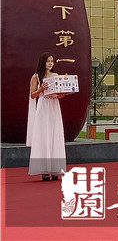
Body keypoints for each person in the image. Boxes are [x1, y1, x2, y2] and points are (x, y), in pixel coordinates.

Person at [28, 52, 67, 181]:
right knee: (44, 135)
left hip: (54, 106)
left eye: (52, 61)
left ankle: (55, 168)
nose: (50, 63)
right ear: (42, 62)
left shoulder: (56, 76)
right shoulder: (36, 77)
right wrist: (41, 89)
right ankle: (44, 169)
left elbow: (58, 94)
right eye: (48, 61)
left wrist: (62, 94)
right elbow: (32, 95)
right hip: (43, 106)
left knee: (55, 134)